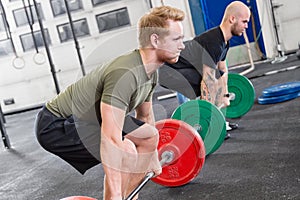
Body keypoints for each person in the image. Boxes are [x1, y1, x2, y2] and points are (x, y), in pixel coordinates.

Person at [34, 6, 185, 200]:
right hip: (56, 125)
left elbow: (145, 117)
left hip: (86, 121)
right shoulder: (126, 73)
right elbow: (111, 139)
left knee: (148, 136)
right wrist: (115, 193)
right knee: (127, 149)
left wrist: (152, 157)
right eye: (176, 39)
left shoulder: (151, 72)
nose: (182, 45)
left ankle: (126, 196)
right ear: (155, 40)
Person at [159, 1, 251, 137]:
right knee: (210, 83)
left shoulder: (224, 42)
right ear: (232, 19)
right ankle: (206, 126)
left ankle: (217, 122)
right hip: (169, 72)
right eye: (244, 22)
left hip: (184, 68)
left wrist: (225, 96)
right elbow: (207, 81)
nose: (246, 26)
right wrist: (211, 120)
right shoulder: (214, 42)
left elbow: (223, 70)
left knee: (217, 77)